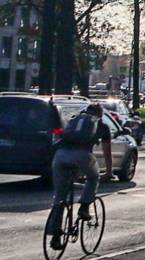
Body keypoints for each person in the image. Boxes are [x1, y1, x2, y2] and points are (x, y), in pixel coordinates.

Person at [47, 102, 114, 251]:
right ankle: (84, 206)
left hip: (60, 156)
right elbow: (107, 153)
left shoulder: (74, 120)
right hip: (82, 156)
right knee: (94, 176)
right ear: (100, 115)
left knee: (59, 197)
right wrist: (109, 172)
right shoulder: (102, 126)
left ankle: (55, 236)